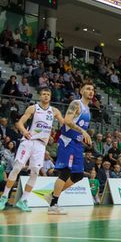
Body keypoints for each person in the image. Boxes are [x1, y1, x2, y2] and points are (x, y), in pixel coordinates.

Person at [0, 87, 66, 212]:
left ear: (50, 97)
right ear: (40, 96)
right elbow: (20, 123)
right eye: (43, 94)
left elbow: (65, 124)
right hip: (28, 141)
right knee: (17, 167)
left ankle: (23, 200)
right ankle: (4, 196)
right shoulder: (33, 108)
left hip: (41, 145)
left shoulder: (54, 111)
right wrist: (24, 131)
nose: (46, 96)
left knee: (35, 172)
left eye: (48, 94)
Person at [48, 82, 94, 214]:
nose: (91, 91)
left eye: (92, 89)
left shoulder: (88, 109)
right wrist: (83, 131)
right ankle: (53, 205)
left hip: (77, 144)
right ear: (81, 91)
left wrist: (84, 139)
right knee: (66, 171)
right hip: (67, 141)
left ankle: (52, 195)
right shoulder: (76, 103)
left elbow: (78, 128)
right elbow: (67, 121)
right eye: (88, 89)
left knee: (78, 175)